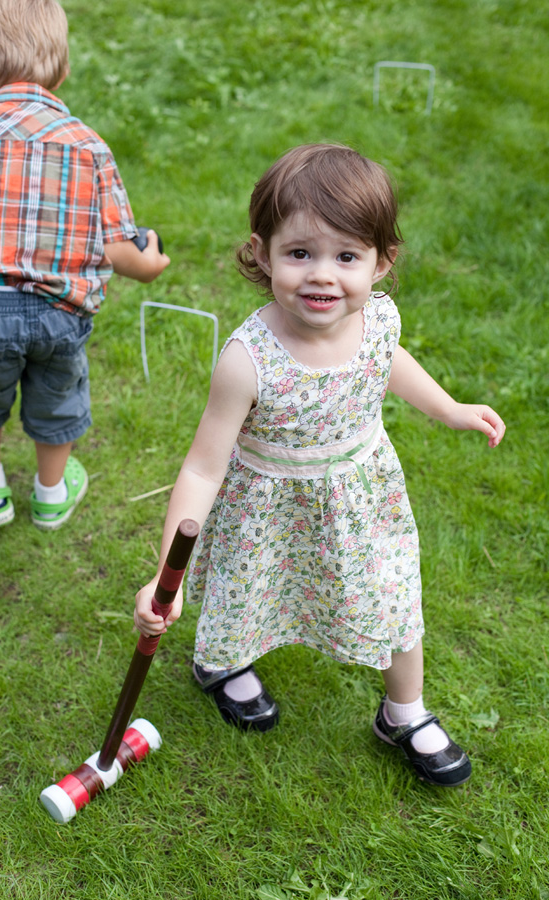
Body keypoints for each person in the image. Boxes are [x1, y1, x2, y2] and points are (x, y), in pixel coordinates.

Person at [134, 143, 505, 786]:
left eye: (347, 257)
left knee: (395, 596)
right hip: (267, 508)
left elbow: (389, 363)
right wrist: (168, 579)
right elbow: (200, 469)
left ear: (382, 263)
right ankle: (222, 662)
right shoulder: (247, 359)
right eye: (300, 253)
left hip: (363, 498)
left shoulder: (378, 320)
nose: (322, 276)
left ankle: (404, 711)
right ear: (261, 252)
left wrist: (448, 408)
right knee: (250, 593)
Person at [0, 0, 170, 530]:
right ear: (63, 72)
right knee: (57, 402)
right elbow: (120, 251)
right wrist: (151, 264)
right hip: (60, 313)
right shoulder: (89, 146)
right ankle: (50, 496)